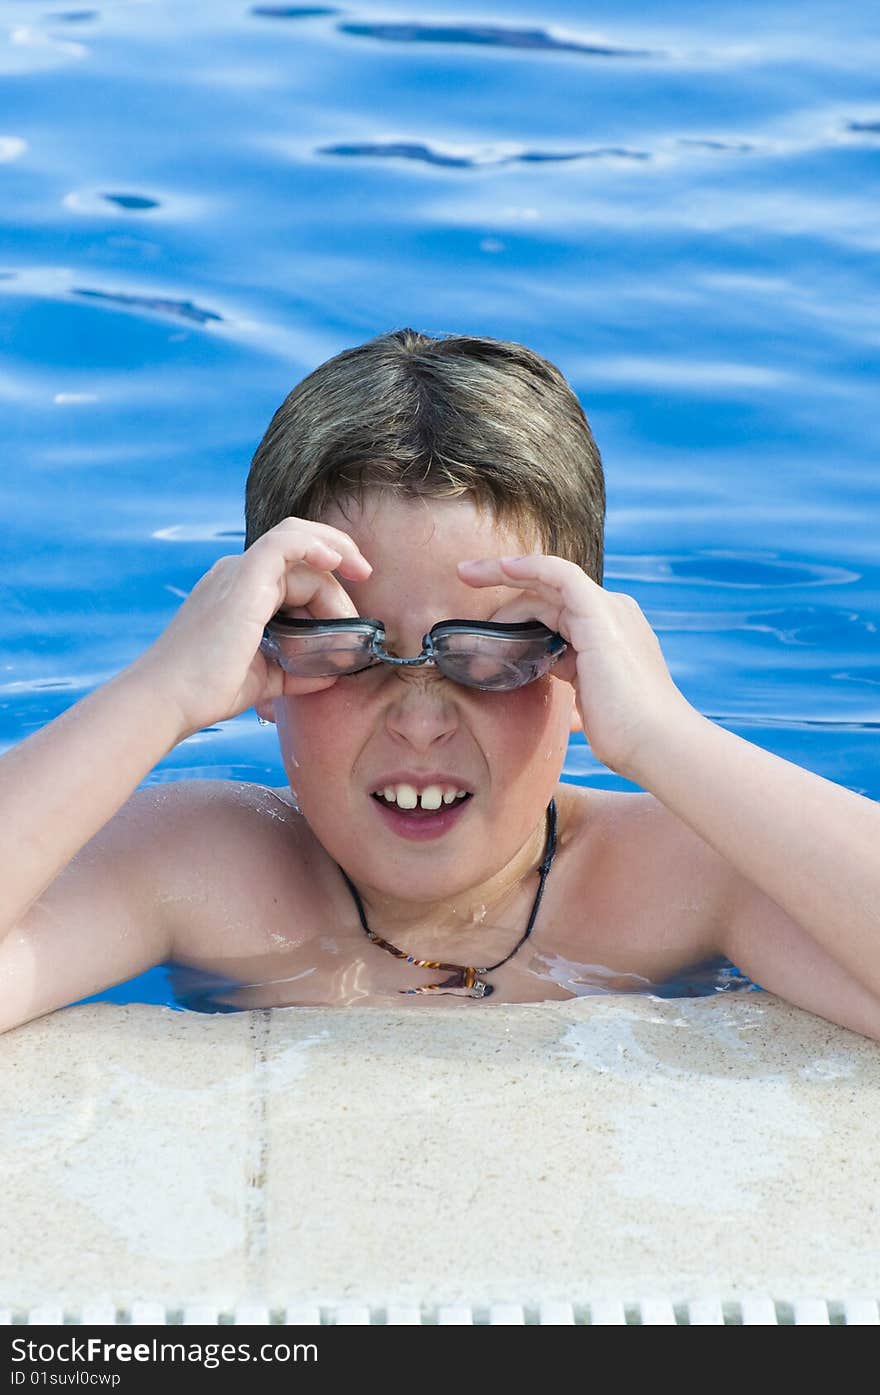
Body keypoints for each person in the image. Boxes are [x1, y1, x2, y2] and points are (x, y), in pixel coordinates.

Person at [2, 329, 879, 1036]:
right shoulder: (210, 867)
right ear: (265, 660)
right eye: (351, 649)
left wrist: (666, 738)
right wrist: (157, 695)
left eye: (490, 653)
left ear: (580, 668)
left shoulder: (677, 875)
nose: (421, 723)